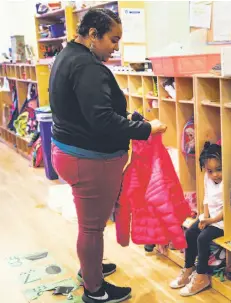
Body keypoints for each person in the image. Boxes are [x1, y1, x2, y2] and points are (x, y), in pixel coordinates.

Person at [49, 8, 167, 303]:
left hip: (70, 152)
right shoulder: (87, 66)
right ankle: (94, 290)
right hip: (88, 160)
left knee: (90, 225)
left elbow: (87, 109)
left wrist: (127, 118)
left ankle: (91, 268)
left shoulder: (68, 56)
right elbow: (101, 120)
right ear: (92, 34)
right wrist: (144, 128)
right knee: (92, 227)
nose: (116, 46)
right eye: (113, 40)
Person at [170, 142, 224, 297]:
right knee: (190, 233)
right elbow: (206, 198)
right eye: (210, 171)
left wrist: (211, 221)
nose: (215, 174)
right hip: (209, 218)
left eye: (219, 169)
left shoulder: (226, 182)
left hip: (222, 222)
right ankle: (188, 269)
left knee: (202, 238)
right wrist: (205, 217)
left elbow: (227, 209)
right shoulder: (208, 179)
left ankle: (201, 276)